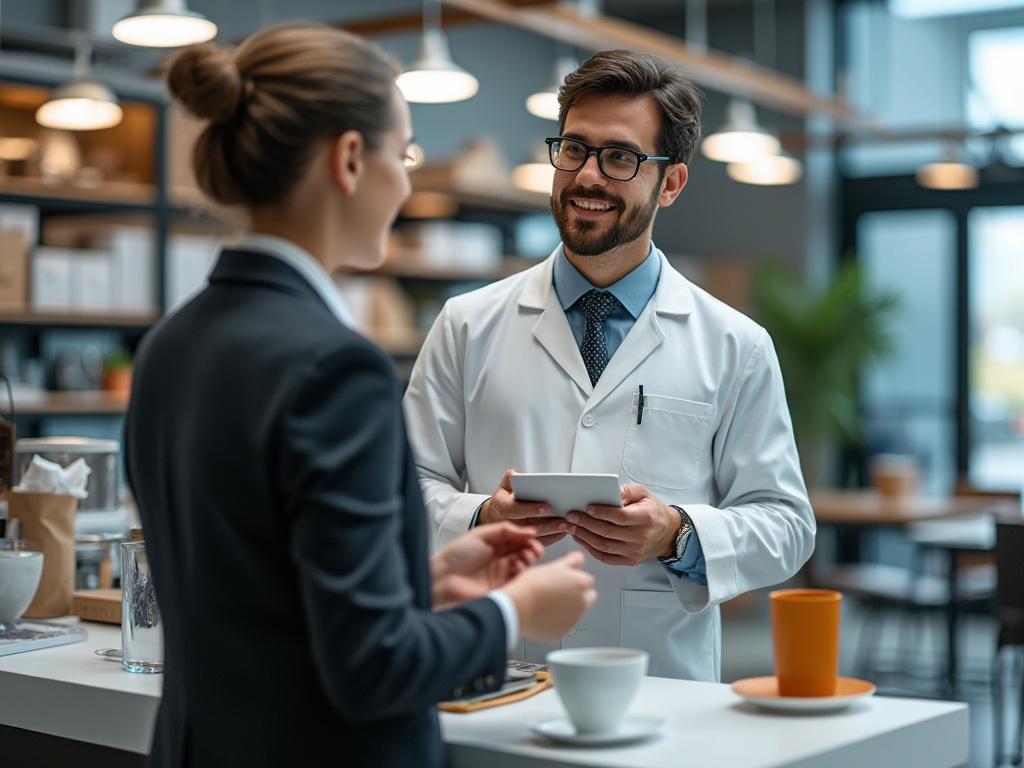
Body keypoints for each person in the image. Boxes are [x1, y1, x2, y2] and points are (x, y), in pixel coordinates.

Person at [124, 24, 596, 768]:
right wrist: (516, 612)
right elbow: (373, 667)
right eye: (403, 154)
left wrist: (422, 579)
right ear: (349, 159)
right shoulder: (334, 369)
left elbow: (257, 597)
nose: (407, 182)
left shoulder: (168, 347)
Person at [404, 49, 816, 681]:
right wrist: (484, 517)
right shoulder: (467, 324)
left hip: (661, 689)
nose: (588, 176)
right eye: (574, 148)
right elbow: (404, 492)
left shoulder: (736, 344)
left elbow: (786, 524)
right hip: (497, 681)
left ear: (670, 183)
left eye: (620, 157)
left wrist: (677, 535)